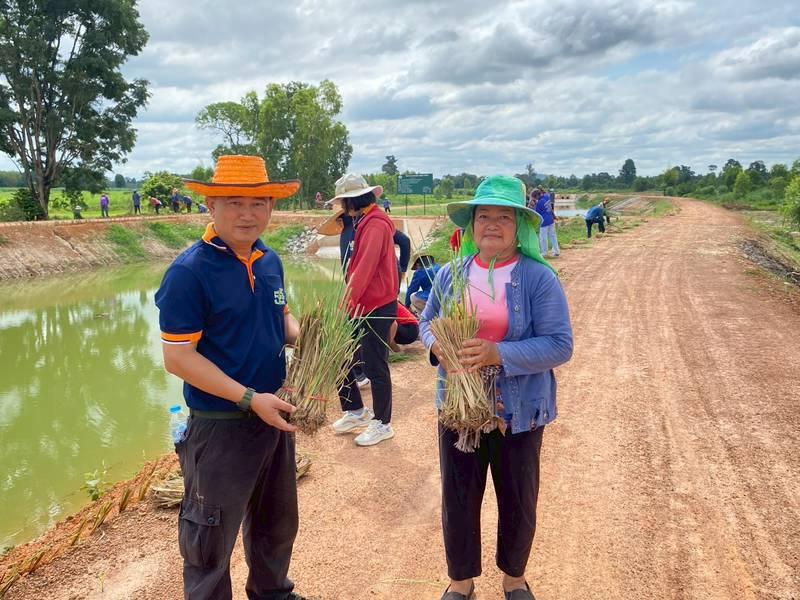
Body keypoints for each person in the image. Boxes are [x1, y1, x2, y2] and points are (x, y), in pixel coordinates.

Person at [154, 155, 306, 600]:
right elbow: (178, 358)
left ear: (271, 208)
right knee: (208, 540)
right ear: (211, 206)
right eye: (234, 202)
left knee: (276, 523)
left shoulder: (268, 259)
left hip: (273, 417)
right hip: (221, 427)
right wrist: (248, 398)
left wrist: (306, 338)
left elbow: (281, 316)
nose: (248, 213)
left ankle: (272, 593)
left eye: (258, 202)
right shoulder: (190, 272)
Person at [419, 175, 573, 600]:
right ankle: (461, 581)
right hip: (457, 407)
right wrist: (439, 349)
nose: (491, 224)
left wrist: (496, 353)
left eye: (503, 217)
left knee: (518, 497)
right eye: (483, 216)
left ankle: (514, 579)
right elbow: (425, 323)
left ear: (519, 226)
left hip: (518, 410)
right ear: (471, 225)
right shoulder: (451, 273)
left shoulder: (538, 278)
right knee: (459, 495)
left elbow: (560, 345)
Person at [330, 173, 398, 446]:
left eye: (343, 202)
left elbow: (365, 269)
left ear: (351, 201)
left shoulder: (376, 225)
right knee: (341, 357)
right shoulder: (364, 222)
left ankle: (383, 423)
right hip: (361, 304)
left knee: (375, 365)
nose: (342, 208)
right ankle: (355, 410)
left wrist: (343, 305)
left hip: (376, 306)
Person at [535, 188, 560, 257]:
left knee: (543, 237)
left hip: (544, 222)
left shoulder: (539, 203)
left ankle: (544, 252)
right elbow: (551, 208)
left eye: (535, 197)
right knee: (553, 236)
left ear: (537, 195)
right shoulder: (547, 197)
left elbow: (536, 214)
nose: (535, 198)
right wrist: (554, 216)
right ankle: (556, 251)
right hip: (551, 219)